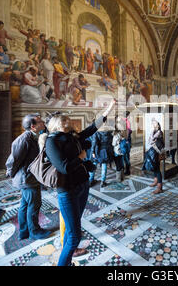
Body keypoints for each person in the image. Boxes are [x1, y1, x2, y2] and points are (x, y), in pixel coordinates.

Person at [45, 101, 114, 266]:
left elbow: (91, 129)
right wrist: (80, 158)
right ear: (55, 125)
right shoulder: (51, 142)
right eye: (63, 121)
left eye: (67, 120)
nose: (67, 123)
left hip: (82, 186)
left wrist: (108, 110)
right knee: (75, 235)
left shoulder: (71, 136)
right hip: (67, 190)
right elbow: (64, 167)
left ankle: (70, 250)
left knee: (73, 227)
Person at [5, 114, 51, 240]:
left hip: (28, 177)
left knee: (25, 205)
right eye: (40, 122)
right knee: (34, 205)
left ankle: (24, 231)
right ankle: (35, 231)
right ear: (33, 126)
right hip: (27, 178)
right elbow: (13, 160)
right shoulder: (24, 139)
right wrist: (12, 173)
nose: (43, 123)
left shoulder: (32, 136)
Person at [142, 119, 165, 194]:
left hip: (157, 152)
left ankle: (159, 187)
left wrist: (152, 133)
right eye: (152, 124)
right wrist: (152, 138)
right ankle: (156, 181)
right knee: (155, 167)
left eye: (154, 124)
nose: (153, 125)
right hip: (153, 152)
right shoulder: (155, 132)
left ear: (158, 125)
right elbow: (149, 141)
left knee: (157, 169)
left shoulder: (159, 132)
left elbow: (151, 139)